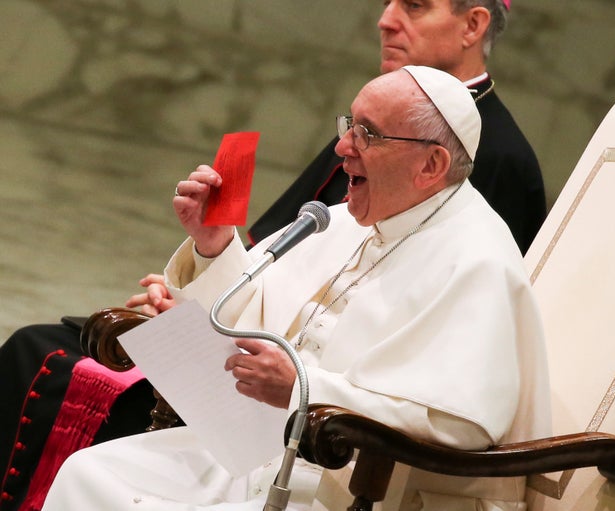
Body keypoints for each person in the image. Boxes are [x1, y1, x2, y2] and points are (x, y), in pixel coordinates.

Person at [0, 1, 545, 507]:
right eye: (348, 124)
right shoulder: (354, 221)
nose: (342, 147)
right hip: (259, 445)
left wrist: (303, 389)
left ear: (431, 167)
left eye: (368, 135)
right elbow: (260, 307)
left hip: (344, 481)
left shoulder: (476, 260)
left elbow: (458, 424)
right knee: (89, 473)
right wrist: (214, 246)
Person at [248, 0, 545, 254]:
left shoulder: (503, 159)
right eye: (386, 3)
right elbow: (268, 255)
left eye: (414, 5)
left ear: (472, 25)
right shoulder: (384, 115)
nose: (385, 21)